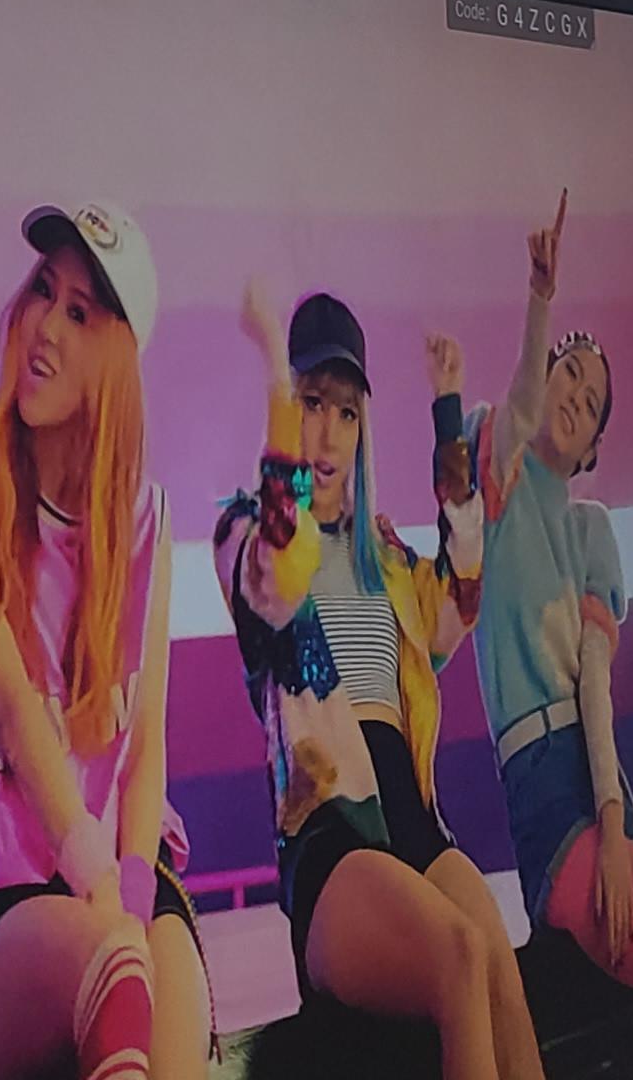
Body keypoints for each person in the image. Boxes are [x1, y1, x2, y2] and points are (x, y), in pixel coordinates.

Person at [214, 286, 541, 1080]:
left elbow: (458, 606)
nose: (328, 432)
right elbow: (280, 574)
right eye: (311, 404)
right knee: (460, 952)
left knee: (498, 958)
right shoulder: (245, 533)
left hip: (413, 821)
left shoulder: (386, 558)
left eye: (347, 412)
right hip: (333, 837)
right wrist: (273, 375)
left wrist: (447, 413)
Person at [0, 201, 208, 1080]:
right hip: (10, 907)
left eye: (79, 312)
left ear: (118, 358)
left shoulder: (147, 523)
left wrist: (136, 893)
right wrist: (104, 899)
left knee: (167, 1006)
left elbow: (146, 747)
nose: (44, 325)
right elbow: (10, 702)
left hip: (125, 877)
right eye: (43, 290)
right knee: (116, 970)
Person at [441, 199, 633, 1080]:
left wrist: (615, 825)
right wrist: (540, 300)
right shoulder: (499, 468)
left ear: (597, 442)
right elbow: (520, 403)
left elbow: (595, 686)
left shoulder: (593, 529)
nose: (573, 396)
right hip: (538, 783)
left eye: (592, 401)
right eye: (569, 375)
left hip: (598, 783)